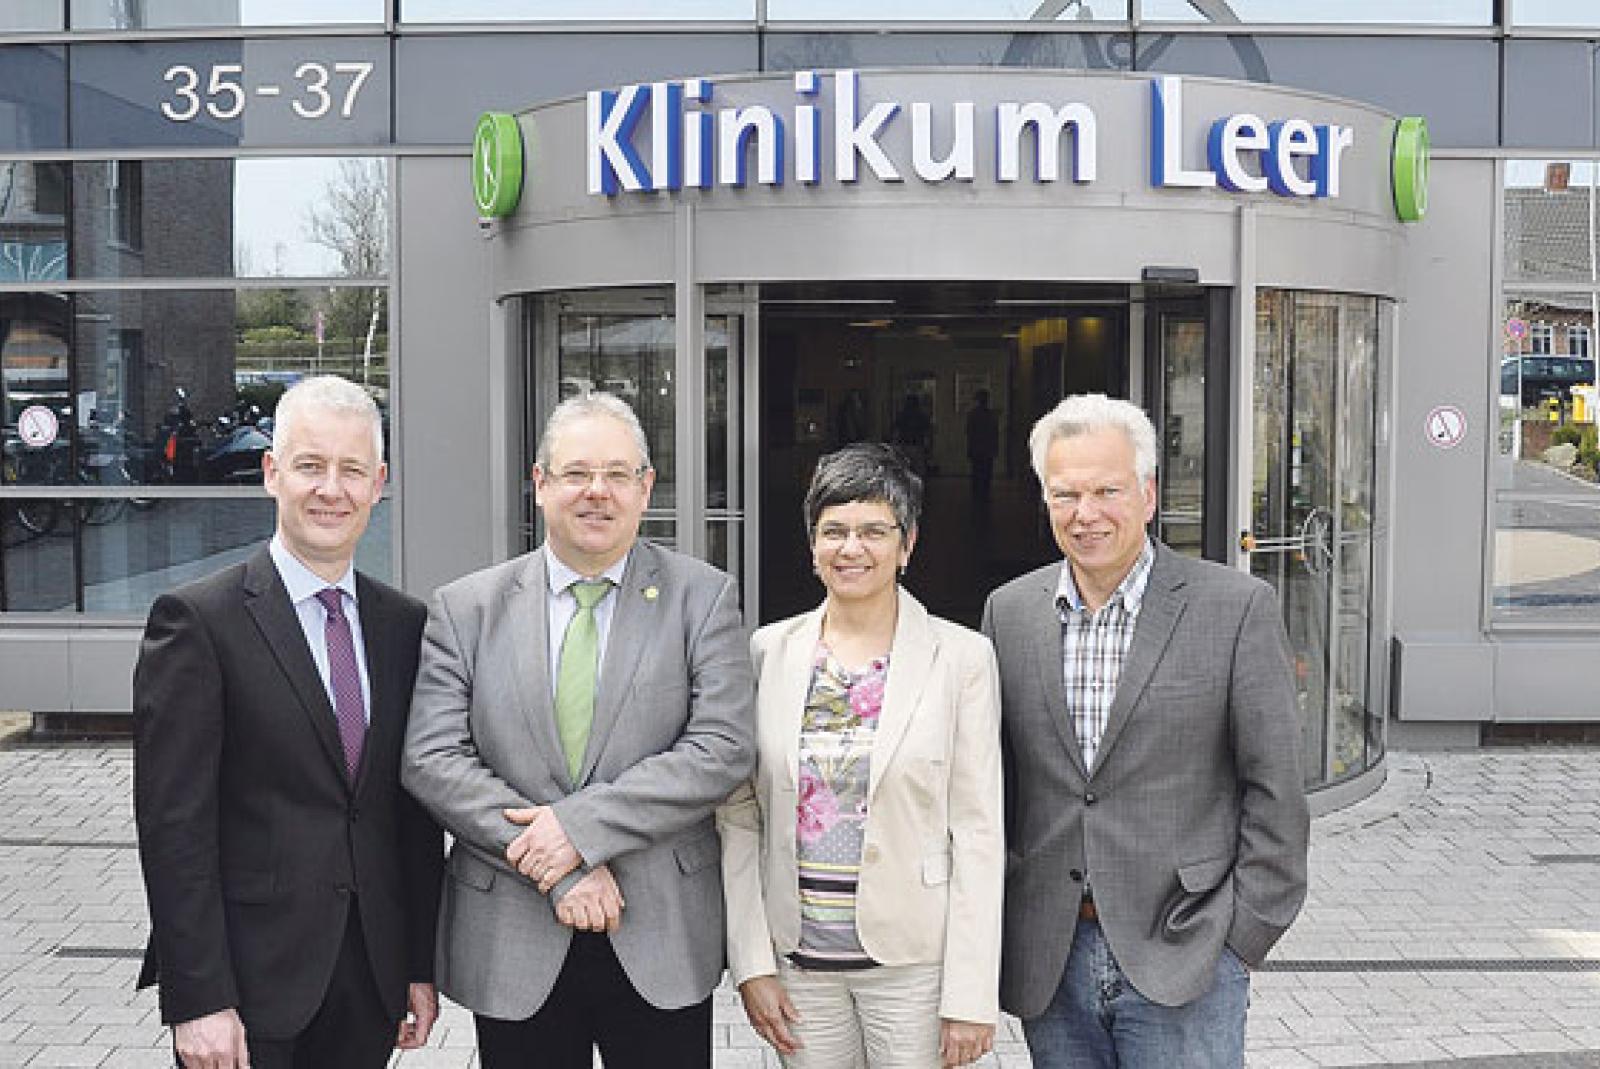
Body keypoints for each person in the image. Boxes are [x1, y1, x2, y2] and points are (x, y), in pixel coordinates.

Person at [402, 392, 755, 1069]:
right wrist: (556, 866)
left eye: (618, 474)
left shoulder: (702, 597)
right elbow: (432, 757)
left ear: (646, 488)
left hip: (660, 933)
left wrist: (577, 830)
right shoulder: (467, 607)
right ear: (540, 483)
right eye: (577, 473)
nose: (598, 491)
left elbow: (722, 747)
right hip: (513, 934)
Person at [980, 393, 1309, 1069]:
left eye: (1108, 490)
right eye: (1066, 494)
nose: (1086, 512)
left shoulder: (1235, 608)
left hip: (1188, 954)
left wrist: (1241, 937)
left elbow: (1276, 787)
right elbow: (995, 788)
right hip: (1051, 958)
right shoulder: (1008, 612)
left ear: (1149, 494)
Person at [132, 375, 443, 1069]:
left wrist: (418, 963)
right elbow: (174, 828)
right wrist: (198, 998)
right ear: (272, 472)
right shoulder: (197, 622)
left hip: (368, 982)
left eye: (352, 469)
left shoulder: (404, 624)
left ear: (378, 484)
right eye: (310, 465)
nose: (331, 489)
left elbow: (411, 814)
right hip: (246, 992)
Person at [720, 442, 1003, 1069]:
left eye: (874, 531)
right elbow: (740, 817)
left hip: (914, 967)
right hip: (800, 967)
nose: (852, 548)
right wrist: (752, 963)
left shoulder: (960, 658)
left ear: (907, 545)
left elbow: (979, 831)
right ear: (813, 545)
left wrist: (970, 992)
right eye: (834, 531)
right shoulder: (767, 652)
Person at [964, 389, 999, 505]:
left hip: (977, 448)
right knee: (986, 473)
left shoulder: (972, 414)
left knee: (976, 472)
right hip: (987, 448)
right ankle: (984, 494)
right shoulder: (991, 415)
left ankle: (976, 495)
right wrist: (995, 448)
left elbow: (969, 433)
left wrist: (970, 448)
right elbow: (995, 433)